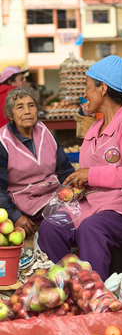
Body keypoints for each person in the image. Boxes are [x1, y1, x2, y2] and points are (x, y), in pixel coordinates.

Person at [38, 55, 122, 281]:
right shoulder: (94, 128)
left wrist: (90, 175)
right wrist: (78, 185)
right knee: (50, 228)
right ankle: (68, 286)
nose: (84, 93)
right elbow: (87, 174)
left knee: (91, 229)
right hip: (89, 204)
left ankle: (95, 294)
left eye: (87, 87)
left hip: (121, 208)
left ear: (103, 88)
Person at [0, 86, 74, 236]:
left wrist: (74, 189)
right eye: (20, 107)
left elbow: (65, 169)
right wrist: (16, 216)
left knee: (85, 210)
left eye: (31, 105)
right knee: (64, 220)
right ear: (10, 114)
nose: (27, 111)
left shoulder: (44, 131)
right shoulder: (3, 141)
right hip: (26, 202)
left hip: (55, 196)